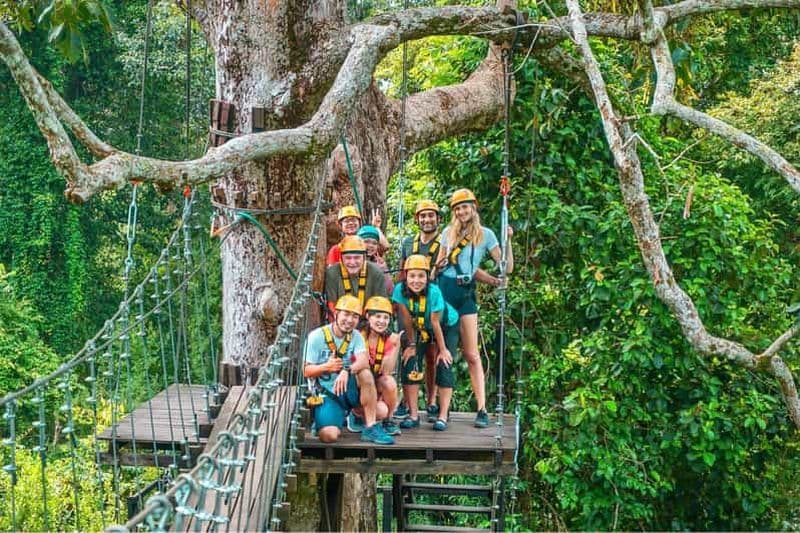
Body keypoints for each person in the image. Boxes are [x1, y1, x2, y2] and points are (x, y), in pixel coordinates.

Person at [435, 188, 513, 428]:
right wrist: (441, 262)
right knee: (445, 352)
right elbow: (437, 267)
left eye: (465, 207)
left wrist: (508, 241)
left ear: (473, 207)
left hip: (467, 293)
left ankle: (482, 408)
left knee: (472, 353)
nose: (461, 212)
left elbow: (505, 267)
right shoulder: (448, 234)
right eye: (458, 208)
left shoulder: (486, 235)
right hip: (446, 290)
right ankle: (443, 411)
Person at [303, 294, 395, 444]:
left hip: (349, 390)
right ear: (336, 314)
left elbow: (363, 361)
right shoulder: (317, 337)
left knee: (367, 379)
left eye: (355, 316)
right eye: (346, 314)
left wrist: (346, 370)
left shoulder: (356, 336)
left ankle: (370, 427)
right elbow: (306, 370)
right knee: (329, 436)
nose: (350, 320)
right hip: (328, 392)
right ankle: (330, 419)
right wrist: (326, 367)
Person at [392, 255, 459, 431]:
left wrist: (443, 350)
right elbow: (406, 319)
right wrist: (412, 345)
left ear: (427, 277)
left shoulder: (434, 292)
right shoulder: (399, 290)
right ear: (406, 276)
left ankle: (442, 415)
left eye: (421, 276)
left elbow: (436, 323)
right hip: (419, 327)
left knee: (444, 364)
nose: (416, 280)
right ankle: (413, 415)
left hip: (445, 326)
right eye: (412, 276)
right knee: (410, 362)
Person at [348, 296, 402, 436]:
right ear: (368, 316)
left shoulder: (387, 340)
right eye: (377, 316)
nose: (382, 321)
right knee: (364, 374)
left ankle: (388, 420)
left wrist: (396, 346)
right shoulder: (357, 336)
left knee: (388, 383)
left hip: (374, 387)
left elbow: (386, 371)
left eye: (386, 318)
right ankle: (355, 413)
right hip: (357, 386)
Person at [324, 235, 388, 321]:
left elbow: (380, 305)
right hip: (341, 320)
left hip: (368, 321)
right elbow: (332, 305)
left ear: (364, 257)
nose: (352, 262)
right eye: (348, 258)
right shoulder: (332, 273)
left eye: (357, 257)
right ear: (341, 259)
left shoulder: (376, 272)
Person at [358, 224, 393, 294]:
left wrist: (383, 269)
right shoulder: (351, 262)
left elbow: (389, 290)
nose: (370, 245)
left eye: (374, 243)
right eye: (366, 241)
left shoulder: (379, 263)